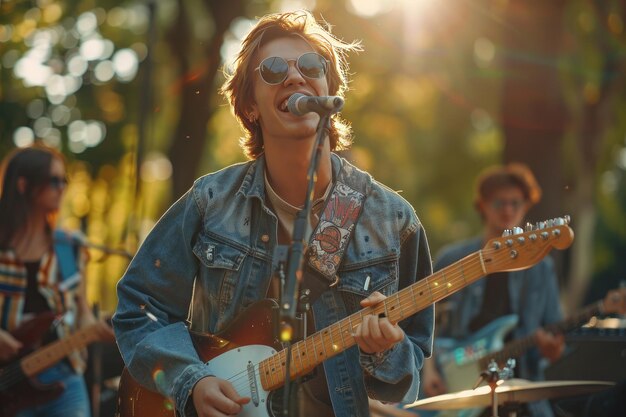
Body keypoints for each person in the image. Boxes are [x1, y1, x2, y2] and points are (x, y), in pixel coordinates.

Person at [112, 10, 434, 417]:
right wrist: (190, 381)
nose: (296, 77)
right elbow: (140, 305)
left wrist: (385, 349)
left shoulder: (394, 220)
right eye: (274, 69)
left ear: (328, 91)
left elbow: (406, 380)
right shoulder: (210, 201)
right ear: (249, 106)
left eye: (312, 67)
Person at [420, 163, 564, 417]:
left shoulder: (542, 268)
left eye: (515, 203)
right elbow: (422, 321)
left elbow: (555, 337)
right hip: (455, 389)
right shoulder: (453, 259)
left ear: (526, 207)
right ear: (483, 206)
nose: (508, 210)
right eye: (500, 203)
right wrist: (428, 370)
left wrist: (551, 349)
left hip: (521, 392)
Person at [0, 145, 114, 417]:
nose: (61, 187)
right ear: (23, 184)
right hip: (8, 384)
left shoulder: (70, 245)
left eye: (64, 180)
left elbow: (82, 313)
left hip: (64, 377)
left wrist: (98, 329)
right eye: (53, 180)